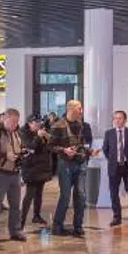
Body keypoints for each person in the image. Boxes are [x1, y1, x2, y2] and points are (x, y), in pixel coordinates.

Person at [50, 100, 94, 237]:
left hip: (81, 163)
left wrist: (89, 152)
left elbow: (85, 144)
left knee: (81, 195)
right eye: (79, 108)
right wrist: (64, 150)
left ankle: (78, 227)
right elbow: (50, 146)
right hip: (65, 164)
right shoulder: (58, 125)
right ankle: (57, 226)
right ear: (71, 109)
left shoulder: (84, 125)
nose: (81, 111)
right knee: (65, 196)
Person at [0, 108, 26, 247]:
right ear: (5, 119)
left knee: (15, 205)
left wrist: (22, 153)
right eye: (13, 121)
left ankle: (15, 231)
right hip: (0, 173)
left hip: (15, 173)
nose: (15, 124)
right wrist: (5, 155)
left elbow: (19, 147)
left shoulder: (17, 133)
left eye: (17, 122)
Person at [102, 111, 128, 226]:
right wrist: (112, 159)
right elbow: (105, 149)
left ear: (125, 120)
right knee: (114, 193)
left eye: (120, 118)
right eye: (115, 118)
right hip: (114, 167)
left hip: (127, 166)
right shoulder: (109, 133)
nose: (117, 120)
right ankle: (117, 216)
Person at [20, 114, 54, 228]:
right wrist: (38, 137)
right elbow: (30, 148)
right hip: (30, 168)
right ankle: (21, 220)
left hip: (41, 167)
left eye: (39, 122)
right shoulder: (23, 133)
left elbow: (49, 147)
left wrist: (47, 137)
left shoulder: (42, 131)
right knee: (29, 194)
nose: (39, 124)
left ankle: (36, 215)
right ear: (29, 123)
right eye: (36, 122)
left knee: (39, 193)